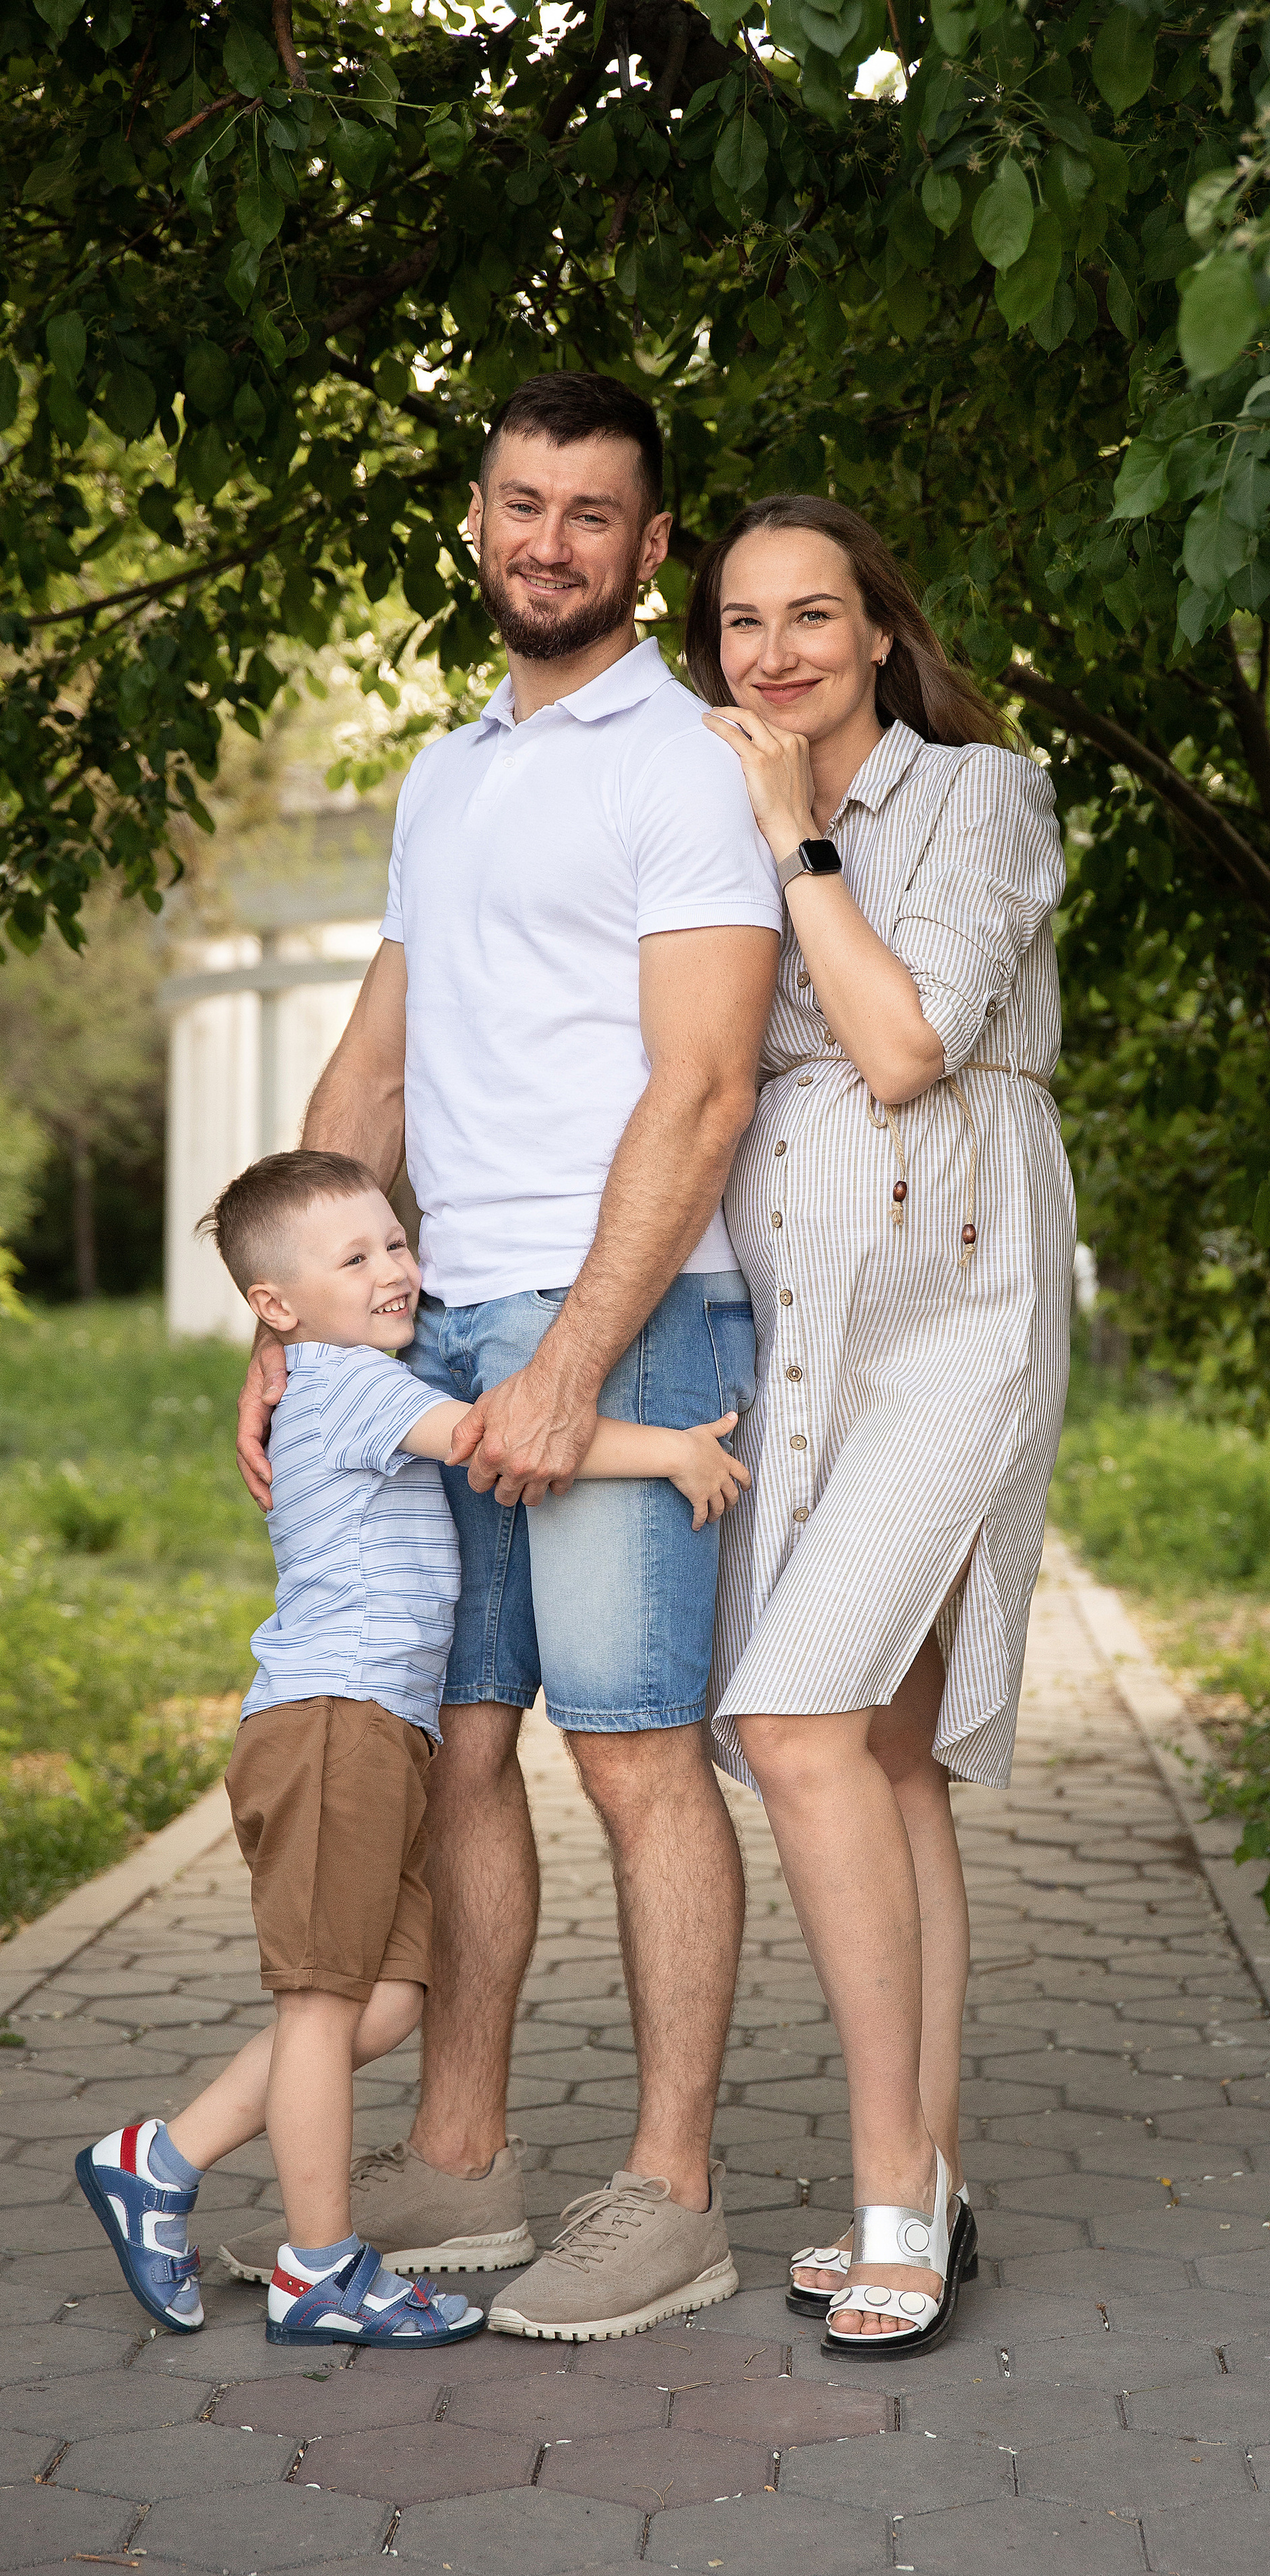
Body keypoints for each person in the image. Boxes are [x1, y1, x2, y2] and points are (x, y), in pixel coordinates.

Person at [225, 373, 782, 2343]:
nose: (547, 537)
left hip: (612, 1311)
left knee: (633, 1758)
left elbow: (706, 1091)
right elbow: (377, 1065)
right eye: (520, 500)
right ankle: (460, 2162)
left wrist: (574, 1365)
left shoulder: (685, 766)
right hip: (431, 1316)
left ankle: (672, 2191)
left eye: (592, 512)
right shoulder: (446, 773)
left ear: (650, 546)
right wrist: (288, 1320)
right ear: (481, 517)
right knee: (457, 1746)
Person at [74, 1152, 749, 2346]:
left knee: (380, 2005)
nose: (395, 1272)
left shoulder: (342, 1375)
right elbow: (506, 1441)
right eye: (356, 1258)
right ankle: (320, 2270)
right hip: (332, 1730)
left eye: (397, 1243)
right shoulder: (349, 1386)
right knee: (328, 2002)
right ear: (274, 1309)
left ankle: (154, 2159)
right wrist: (676, 1452)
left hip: (371, 1733)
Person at [686, 496, 1074, 2360]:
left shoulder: (974, 797)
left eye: (811, 614)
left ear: (876, 629)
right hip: (808, 1336)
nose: (775, 651)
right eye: (743, 621)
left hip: (958, 1308)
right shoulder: (707, 815)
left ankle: (886, 2195)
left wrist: (795, 840)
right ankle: (938, 2168)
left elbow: (908, 1050)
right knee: (891, 1755)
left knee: (790, 1712)